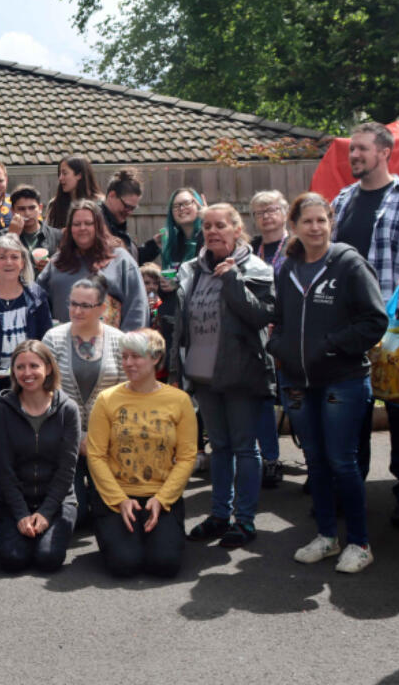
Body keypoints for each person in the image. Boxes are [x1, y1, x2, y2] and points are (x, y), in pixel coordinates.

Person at [269, 192, 386, 574]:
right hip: (299, 382)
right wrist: (279, 346)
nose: (316, 228)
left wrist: (331, 346)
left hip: (343, 380)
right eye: (308, 222)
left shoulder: (349, 263)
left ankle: (360, 543)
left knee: (342, 462)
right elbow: (280, 319)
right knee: (316, 462)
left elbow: (374, 320)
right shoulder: (288, 267)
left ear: (331, 222)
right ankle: (326, 536)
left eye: (322, 220)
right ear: (294, 226)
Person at [330, 122, 399, 527]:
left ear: (385, 151)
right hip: (349, 324)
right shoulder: (341, 201)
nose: (354, 156)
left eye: (361, 149)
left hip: (396, 326)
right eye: (351, 150)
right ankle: (349, 489)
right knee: (351, 409)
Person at [172, 203, 275, 549]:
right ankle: (219, 515)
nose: (212, 231)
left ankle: (244, 521)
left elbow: (259, 315)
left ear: (236, 229)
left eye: (220, 225)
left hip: (240, 374)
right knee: (219, 448)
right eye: (207, 226)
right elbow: (181, 325)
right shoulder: (192, 269)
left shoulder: (256, 269)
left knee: (245, 448)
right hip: (202, 376)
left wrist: (233, 278)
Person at [86, 329, 195, 578]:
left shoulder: (179, 401)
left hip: (161, 496)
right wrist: (119, 499)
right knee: (125, 564)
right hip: (117, 496)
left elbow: (187, 457)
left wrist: (163, 499)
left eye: (136, 357)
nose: (128, 363)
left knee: (164, 565)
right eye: (124, 357)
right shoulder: (107, 400)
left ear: (155, 358)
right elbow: (96, 455)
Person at [0, 234, 52, 506]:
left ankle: (30, 487)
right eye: (2, 256)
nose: (8, 262)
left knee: (31, 432)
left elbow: (45, 338)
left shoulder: (36, 296)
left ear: (23, 262)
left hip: (31, 378)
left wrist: (38, 368)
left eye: (14, 256)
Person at [41, 276, 127, 527]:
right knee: (76, 516)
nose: (77, 311)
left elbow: (124, 395)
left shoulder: (119, 340)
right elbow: (48, 394)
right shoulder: (53, 338)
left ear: (103, 308)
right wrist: (76, 437)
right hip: (65, 438)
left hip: (108, 440)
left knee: (108, 510)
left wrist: (98, 437)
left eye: (85, 306)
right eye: (73, 304)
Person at [0, 340, 79, 572]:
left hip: (58, 502)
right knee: (13, 560)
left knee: (47, 559)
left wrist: (46, 513)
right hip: (15, 501)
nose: (27, 373)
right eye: (20, 367)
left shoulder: (68, 409)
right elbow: (4, 468)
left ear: (48, 368)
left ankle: (45, 532)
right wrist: (21, 514)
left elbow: (67, 469)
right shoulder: (3, 409)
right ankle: (18, 530)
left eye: (34, 366)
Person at [37, 199, 147, 328]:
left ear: (99, 226)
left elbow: (137, 307)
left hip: (111, 345)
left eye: (88, 223)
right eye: (77, 224)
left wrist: (129, 344)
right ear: (70, 228)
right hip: (64, 345)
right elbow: (37, 301)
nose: (82, 228)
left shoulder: (120, 260)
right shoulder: (57, 262)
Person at [249, 189, 289, 487]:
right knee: (262, 401)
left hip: (289, 336)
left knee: (294, 401)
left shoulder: (297, 247)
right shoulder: (250, 249)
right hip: (259, 338)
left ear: (285, 212)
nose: (266, 216)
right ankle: (270, 459)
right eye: (259, 212)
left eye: (271, 210)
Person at [139, 187, 204, 268]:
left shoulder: (208, 238)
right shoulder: (172, 242)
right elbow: (135, 261)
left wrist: (208, 219)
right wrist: (153, 245)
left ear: (198, 205)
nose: (181, 208)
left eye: (186, 203)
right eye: (176, 206)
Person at [4, 184, 62, 272]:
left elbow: (68, 269)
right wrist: (12, 236)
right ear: (13, 211)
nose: (27, 213)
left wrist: (52, 268)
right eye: (21, 209)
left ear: (40, 208)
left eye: (32, 208)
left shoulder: (56, 236)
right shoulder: (3, 236)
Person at [46, 154, 103, 229]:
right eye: (59, 174)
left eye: (65, 173)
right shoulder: (54, 205)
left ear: (79, 175)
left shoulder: (99, 203)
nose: (60, 178)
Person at [102, 170, 143, 261]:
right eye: (127, 206)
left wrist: (154, 245)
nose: (129, 212)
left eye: (133, 208)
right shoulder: (96, 219)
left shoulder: (118, 225)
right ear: (112, 195)